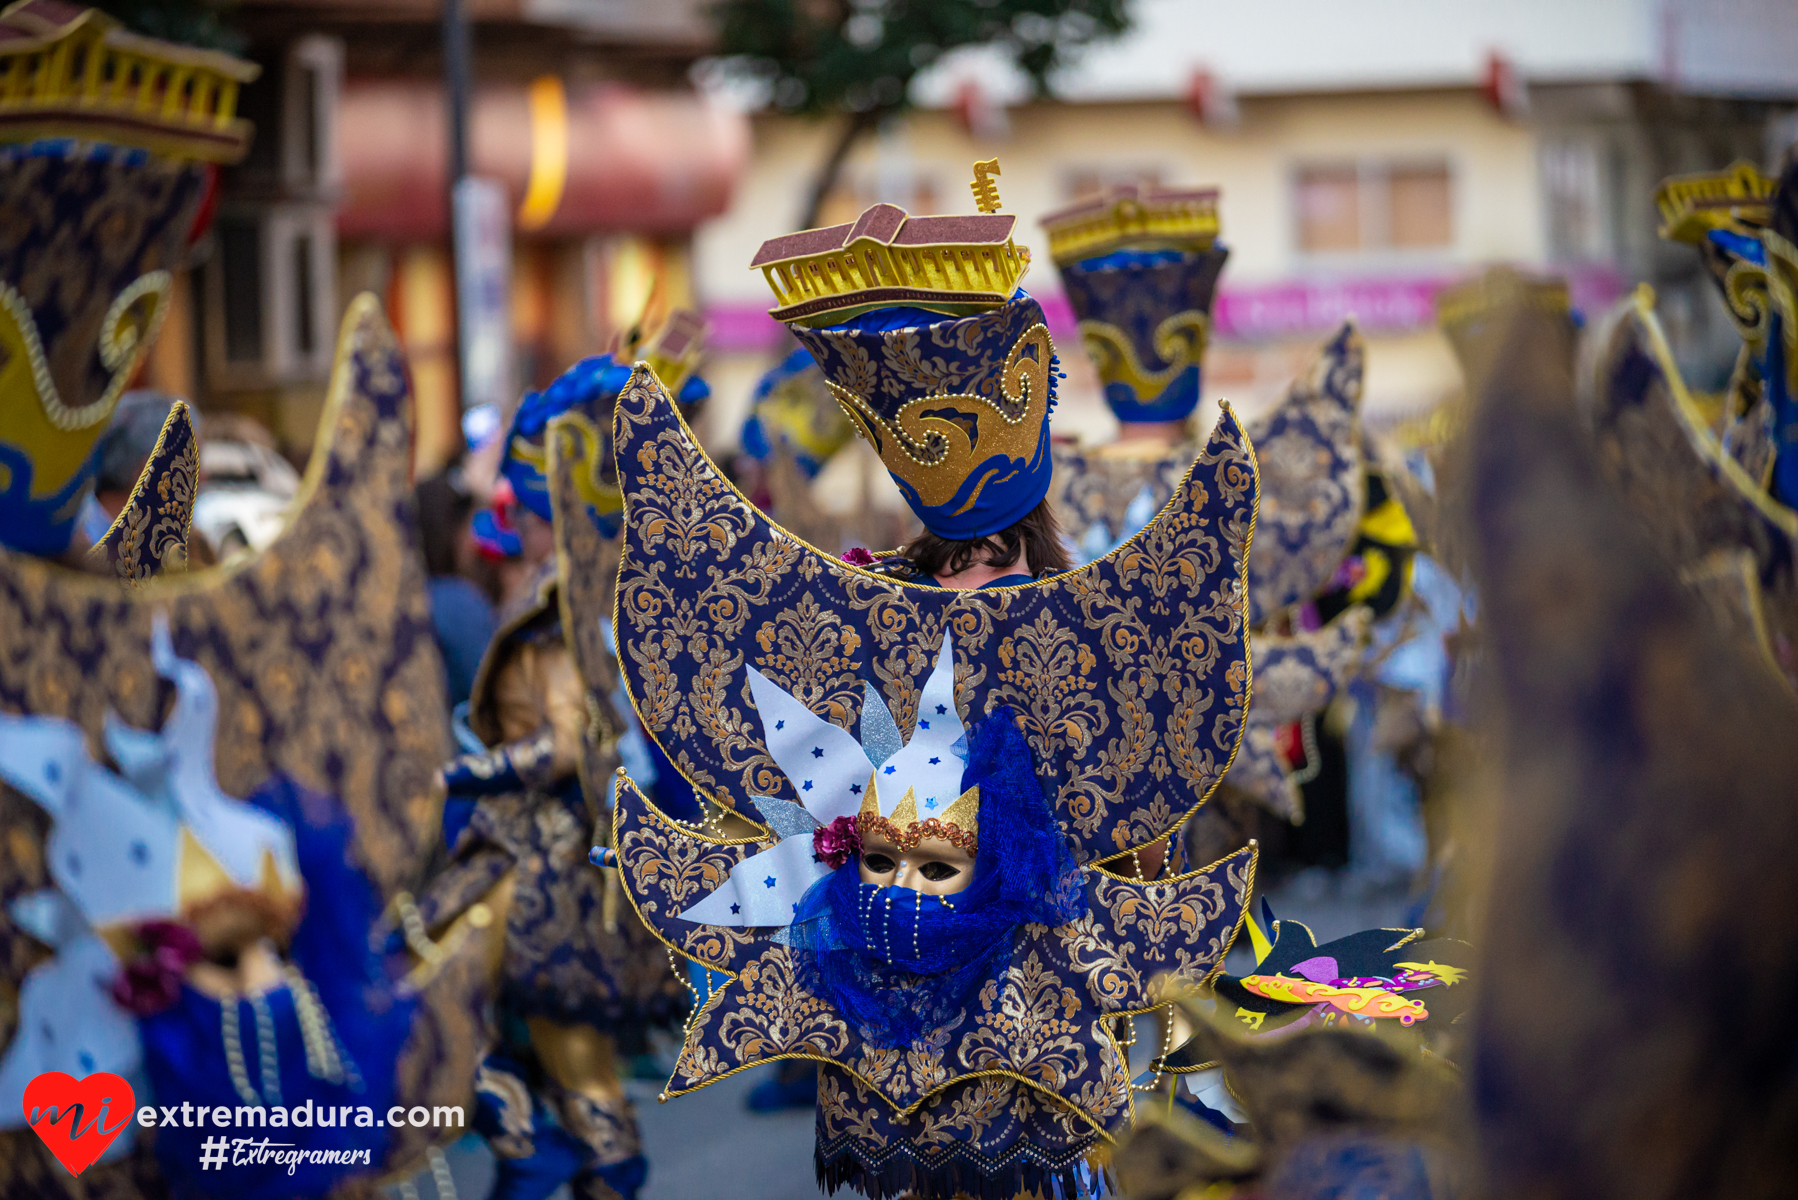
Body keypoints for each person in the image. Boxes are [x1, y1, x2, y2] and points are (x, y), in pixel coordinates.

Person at [594, 161, 1264, 1200]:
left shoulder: (1084, 620)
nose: (976, 580)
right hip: (891, 997)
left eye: (995, 555)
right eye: (961, 558)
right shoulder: (866, 605)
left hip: (1026, 1004)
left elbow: (1134, 829)